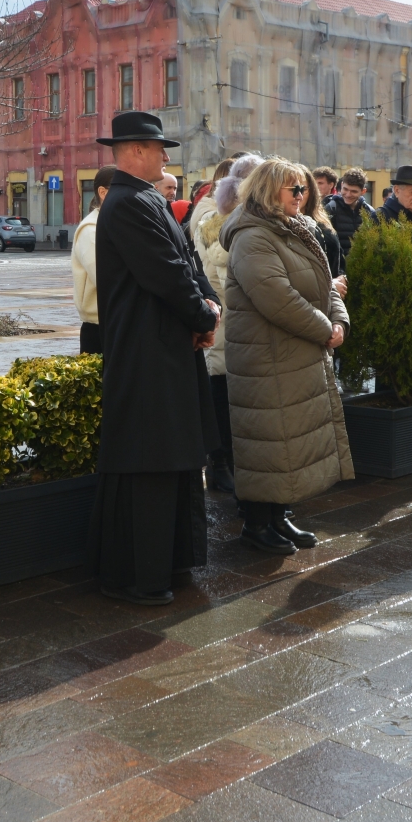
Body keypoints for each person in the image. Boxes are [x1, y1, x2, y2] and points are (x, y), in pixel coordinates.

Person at [91, 111, 219, 605]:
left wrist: (208, 307)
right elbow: (166, 275)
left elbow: (188, 266)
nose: (167, 158)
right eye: (160, 148)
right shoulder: (127, 203)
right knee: (151, 461)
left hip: (165, 347)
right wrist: (203, 318)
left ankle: (168, 562)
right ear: (137, 150)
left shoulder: (144, 198)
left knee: (171, 458)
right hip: (146, 355)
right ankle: (144, 575)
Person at [222, 157, 350, 554]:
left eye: (304, 189)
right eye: (293, 189)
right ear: (266, 191)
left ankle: (280, 516)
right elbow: (277, 297)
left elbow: (324, 283)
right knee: (268, 442)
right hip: (266, 358)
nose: (302, 195)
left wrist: (339, 320)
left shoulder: (298, 228)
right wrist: (323, 329)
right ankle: (257, 523)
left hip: (296, 352)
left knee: (289, 441)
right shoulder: (252, 236)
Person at [193, 155, 261, 499]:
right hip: (225, 327)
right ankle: (220, 466)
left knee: (231, 403)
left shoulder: (234, 221)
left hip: (236, 329)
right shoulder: (214, 221)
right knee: (221, 400)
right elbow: (226, 278)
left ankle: (228, 467)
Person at [72, 165, 117, 354]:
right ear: (103, 192)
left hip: (116, 322)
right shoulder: (91, 229)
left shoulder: (112, 223)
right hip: (99, 326)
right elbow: (107, 278)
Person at [325, 167, 377, 256]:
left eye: (353, 191)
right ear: (341, 185)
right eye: (345, 189)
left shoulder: (369, 212)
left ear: (363, 191)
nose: (348, 195)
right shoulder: (330, 209)